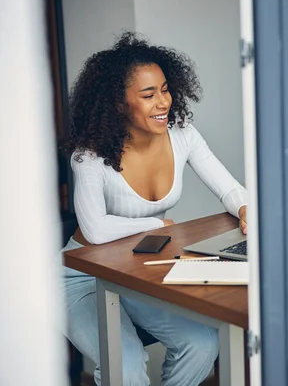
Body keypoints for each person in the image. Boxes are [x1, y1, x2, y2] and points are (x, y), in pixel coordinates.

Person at [60, 32, 248, 385]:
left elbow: (229, 187)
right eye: (148, 95)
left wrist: (244, 207)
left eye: (165, 89)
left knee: (202, 342)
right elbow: (97, 230)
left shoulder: (182, 134)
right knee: (126, 361)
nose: (163, 102)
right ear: (118, 103)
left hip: (138, 271)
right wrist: (156, 222)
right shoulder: (89, 157)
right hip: (81, 276)